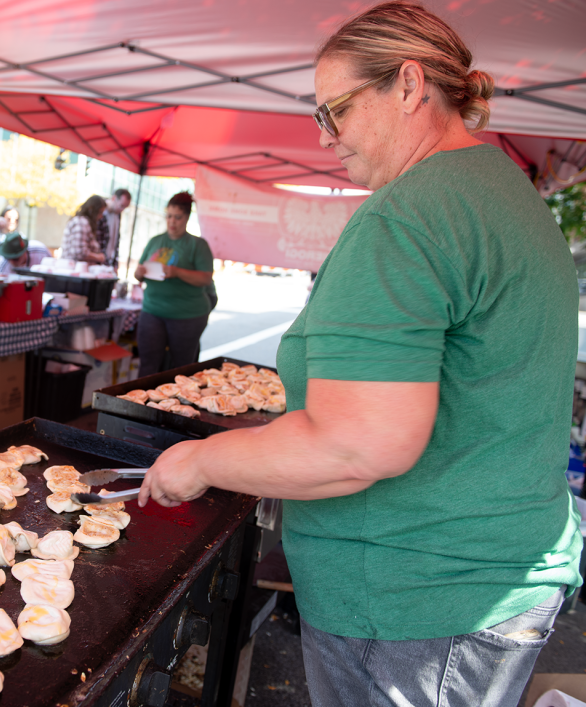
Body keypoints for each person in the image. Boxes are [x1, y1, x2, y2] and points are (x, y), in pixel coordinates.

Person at [138, 4, 583, 707]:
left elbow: (356, 444)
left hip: (416, 603)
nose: (327, 139)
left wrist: (197, 460)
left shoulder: (410, 215)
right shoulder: (510, 196)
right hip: (497, 580)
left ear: (409, 86)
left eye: (335, 111)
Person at [133, 192, 213, 376]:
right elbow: (140, 273)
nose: (172, 221)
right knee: (147, 366)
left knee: (181, 370)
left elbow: (205, 279)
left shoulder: (198, 245)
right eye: (169, 216)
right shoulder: (155, 241)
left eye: (178, 217)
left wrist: (177, 272)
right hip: (152, 311)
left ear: (186, 218)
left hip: (187, 315)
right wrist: (138, 273)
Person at [61, 195, 106, 264]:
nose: (101, 216)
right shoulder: (81, 222)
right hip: (74, 270)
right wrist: (98, 257)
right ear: (91, 209)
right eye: (100, 212)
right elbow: (80, 252)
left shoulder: (84, 222)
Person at [96, 187, 131, 269]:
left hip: (109, 262)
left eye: (125, 207)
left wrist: (115, 263)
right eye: (121, 206)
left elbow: (115, 241)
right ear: (114, 198)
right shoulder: (101, 211)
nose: (122, 209)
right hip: (98, 261)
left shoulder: (117, 215)